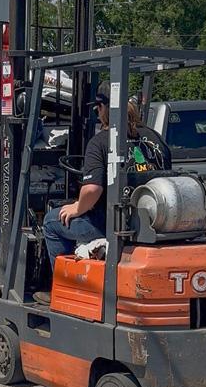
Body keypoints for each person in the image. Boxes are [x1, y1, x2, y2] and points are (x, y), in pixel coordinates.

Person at [34, 82, 172, 304]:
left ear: (105, 107)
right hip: (152, 221)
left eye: (98, 107)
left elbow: (92, 189)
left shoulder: (101, 141)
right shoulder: (155, 139)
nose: (97, 113)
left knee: (52, 221)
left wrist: (77, 207)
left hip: (114, 224)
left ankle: (65, 292)